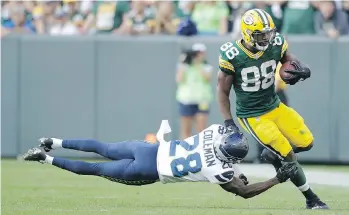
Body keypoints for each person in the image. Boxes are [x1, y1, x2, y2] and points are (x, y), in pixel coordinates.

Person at [217, 9, 329, 209]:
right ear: (247, 34)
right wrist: (228, 122)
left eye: (268, 33)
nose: (267, 38)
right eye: (261, 34)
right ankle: (312, 199)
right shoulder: (233, 55)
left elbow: (287, 58)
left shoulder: (275, 43)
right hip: (253, 115)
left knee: (307, 142)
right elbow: (222, 91)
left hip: (275, 105)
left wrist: (301, 68)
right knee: (288, 154)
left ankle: (272, 155)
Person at [22, 120, 297, 199]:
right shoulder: (219, 169)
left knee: (101, 147)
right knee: (95, 169)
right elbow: (244, 192)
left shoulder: (214, 133)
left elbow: (227, 128)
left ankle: (54, 142)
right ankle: (45, 158)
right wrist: (276, 179)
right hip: (148, 169)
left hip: (149, 149)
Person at [176, 43, 213, 139]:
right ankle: (184, 152)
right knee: (186, 130)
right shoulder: (184, 66)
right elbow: (179, 79)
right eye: (196, 53)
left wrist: (197, 64)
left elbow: (207, 78)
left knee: (201, 129)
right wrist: (184, 62)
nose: (198, 55)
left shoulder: (206, 66)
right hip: (186, 99)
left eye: (201, 53)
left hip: (202, 100)